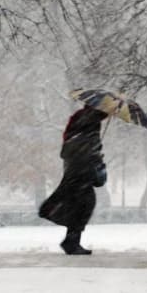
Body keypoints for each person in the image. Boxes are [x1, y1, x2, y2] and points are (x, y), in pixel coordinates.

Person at [39, 105, 108, 255]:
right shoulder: (91, 124)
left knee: (80, 206)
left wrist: (93, 151)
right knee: (84, 206)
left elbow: (68, 149)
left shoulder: (79, 124)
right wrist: (95, 153)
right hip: (81, 173)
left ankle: (71, 241)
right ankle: (71, 242)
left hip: (75, 173)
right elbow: (88, 149)